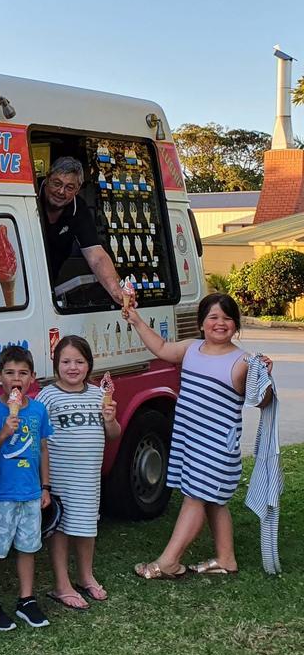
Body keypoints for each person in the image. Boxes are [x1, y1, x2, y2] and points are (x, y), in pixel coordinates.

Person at [125, 294, 273, 579]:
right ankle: (226, 559)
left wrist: (265, 375)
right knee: (214, 499)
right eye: (213, 317)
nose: (220, 323)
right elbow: (161, 347)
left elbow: (263, 401)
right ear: (201, 323)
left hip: (217, 445)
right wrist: (136, 320)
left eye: (227, 318)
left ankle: (168, 561)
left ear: (236, 325)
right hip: (190, 440)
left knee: (195, 497)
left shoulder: (243, 361)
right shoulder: (191, 349)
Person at [36, 336, 120, 609]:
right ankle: (62, 584)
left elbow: (114, 434)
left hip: (88, 477)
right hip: (59, 476)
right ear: (56, 364)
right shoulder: (48, 395)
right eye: (66, 362)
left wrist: (110, 419)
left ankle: (86, 576)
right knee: (59, 527)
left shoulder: (99, 395)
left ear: (89, 364)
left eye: (79, 362)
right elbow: (40, 440)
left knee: (86, 526)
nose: (73, 367)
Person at [0, 345, 54, 630]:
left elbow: (43, 449)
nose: (16, 378)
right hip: (1, 493)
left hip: (30, 492)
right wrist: (5, 432)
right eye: (9, 373)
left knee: (28, 546)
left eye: (23, 373)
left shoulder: (38, 410)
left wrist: (45, 487)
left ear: (32, 377)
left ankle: (26, 599)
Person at [39, 156, 125, 305]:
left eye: (69, 188)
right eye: (57, 183)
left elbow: (96, 256)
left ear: (78, 189)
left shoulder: (79, 208)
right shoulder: (29, 192)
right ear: (47, 178)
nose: (61, 191)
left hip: (50, 283)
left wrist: (115, 289)